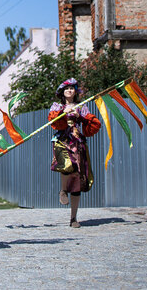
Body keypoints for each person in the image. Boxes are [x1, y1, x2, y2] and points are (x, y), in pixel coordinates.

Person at [48, 77, 101, 228]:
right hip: (61, 141)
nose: (69, 91)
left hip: (77, 142)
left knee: (77, 180)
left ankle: (73, 218)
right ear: (62, 92)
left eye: (72, 88)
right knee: (66, 165)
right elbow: (53, 121)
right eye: (66, 89)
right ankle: (63, 190)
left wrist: (80, 116)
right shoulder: (56, 106)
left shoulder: (81, 106)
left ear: (75, 91)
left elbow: (92, 124)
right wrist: (63, 113)